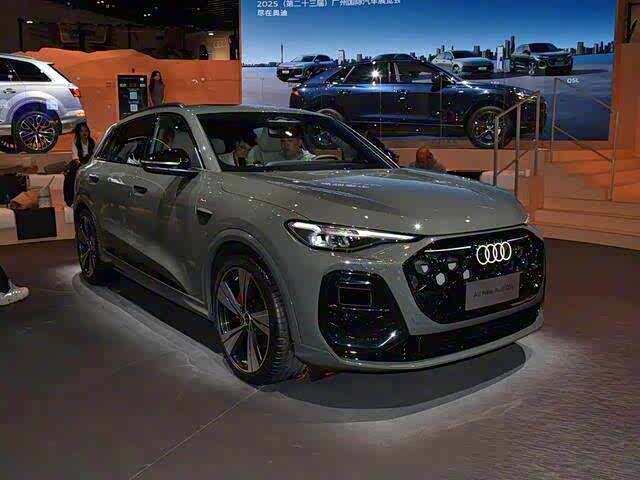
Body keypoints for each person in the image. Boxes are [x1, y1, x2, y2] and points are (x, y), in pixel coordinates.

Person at [64, 122, 95, 207]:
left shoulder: (92, 141)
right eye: (82, 131)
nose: (84, 133)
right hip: (78, 163)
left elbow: (94, 154)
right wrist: (82, 166)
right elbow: (75, 157)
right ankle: (72, 201)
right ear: (78, 133)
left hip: (89, 163)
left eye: (86, 131)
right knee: (72, 179)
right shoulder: (76, 142)